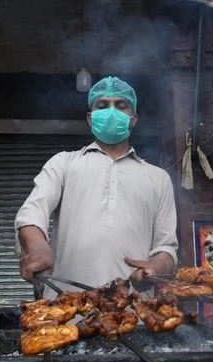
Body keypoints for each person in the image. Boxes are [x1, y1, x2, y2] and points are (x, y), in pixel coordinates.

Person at [15, 76, 178, 296]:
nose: (111, 111)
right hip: (67, 314)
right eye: (102, 106)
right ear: (90, 119)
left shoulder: (158, 178)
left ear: (134, 119)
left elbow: (166, 247)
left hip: (134, 314)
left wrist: (155, 268)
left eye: (121, 106)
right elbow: (31, 215)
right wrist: (39, 249)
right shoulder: (64, 163)